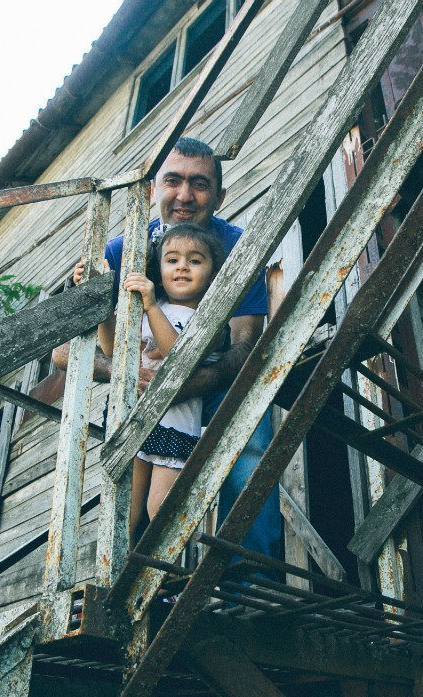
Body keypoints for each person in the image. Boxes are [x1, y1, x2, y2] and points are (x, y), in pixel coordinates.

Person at [55, 136, 282, 559]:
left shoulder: (238, 246)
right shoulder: (122, 251)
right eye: (173, 180)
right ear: (153, 188)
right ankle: (127, 580)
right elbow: (65, 354)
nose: (184, 195)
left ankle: (247, 582)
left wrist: (189, 380)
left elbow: (244, 343)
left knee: (249, 442)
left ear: (220, 195)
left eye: (199, 184)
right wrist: (133, 375)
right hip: (138, 393)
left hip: (212, 380)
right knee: (128, 496)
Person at [97, 223, 225, 537]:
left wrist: (152, 305)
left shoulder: (209, 320)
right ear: (161, 269)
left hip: (175, 430)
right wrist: (100, 301)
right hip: (136, 423)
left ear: (212, 273)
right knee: (126, 512)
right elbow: (114, 349)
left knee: (160, 512)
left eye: (195, 261)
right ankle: (120, 580)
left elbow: (177, 357)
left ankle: (166, 582)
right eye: (172, 260)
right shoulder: (145, 310)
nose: (182, 266)